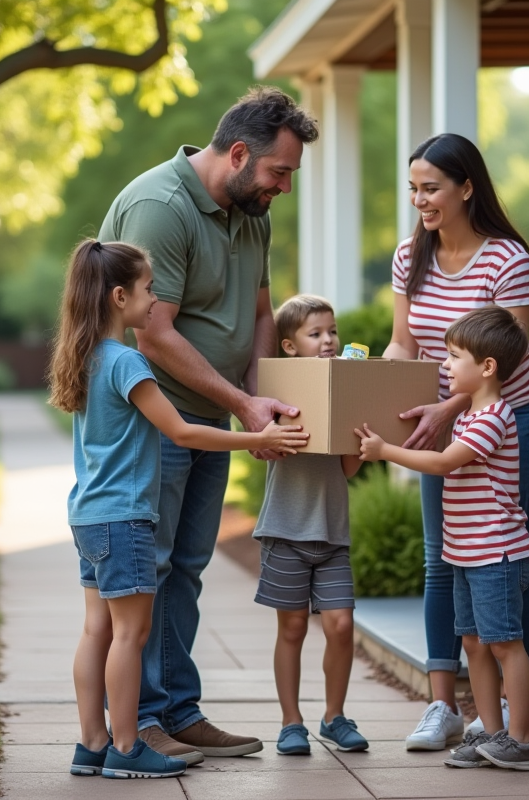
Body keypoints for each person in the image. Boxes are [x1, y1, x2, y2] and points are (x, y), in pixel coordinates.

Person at [97, 86, 320, 763]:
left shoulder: (252, 212)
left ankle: (178, 710)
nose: (284, 187)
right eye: (280, 173)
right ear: (241, 153)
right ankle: (141, 723)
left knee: (188, 568)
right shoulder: (160, 209)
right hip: (155, 421)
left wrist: (260, 400)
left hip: (214, 418)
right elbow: (154, 336)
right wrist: (244, 405)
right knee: (151, 570)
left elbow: (260, 314)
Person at [47, 240, 308, 779]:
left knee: (97, 630)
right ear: (120, 297)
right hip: (126, 517)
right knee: (129, 635)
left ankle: (92, 743)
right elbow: (183, 430)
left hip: (90, 515)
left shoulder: (84, 356)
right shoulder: (127, 363)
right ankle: (125, 746)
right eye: (148, 289)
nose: (156, 298)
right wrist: (261, 437)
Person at [383, 133, 529, 750]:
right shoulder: (411, 256)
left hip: (515, 417)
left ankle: (511, 718)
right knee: (443, 558)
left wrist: (443, 408)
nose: (420, 200)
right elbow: (404, 343)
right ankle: (445, 708)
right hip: (444, 422)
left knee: (509, 564)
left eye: (430, 188)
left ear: (466, 188)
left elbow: (503, 363)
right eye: (414, 189)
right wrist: (377, 391)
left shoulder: (506, 259)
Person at [357, 306, 529, 771]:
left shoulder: (493, 417)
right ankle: (491, 736)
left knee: (505, 644)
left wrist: (385, 451)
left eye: (454, 357)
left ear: (487, 367)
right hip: (466, 554)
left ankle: (520, 740)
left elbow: (442, 464)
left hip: (495, 554)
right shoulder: (468, 416)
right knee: (475, 643)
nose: (445, 365)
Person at [252, 294, 369, 756]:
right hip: (286, 530)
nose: (328, 341)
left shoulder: (344, 389)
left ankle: (334, 716)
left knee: (340, 626)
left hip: (331, 530)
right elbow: (260, 446)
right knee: (293, 628)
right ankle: (291, 721)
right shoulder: (277, 399)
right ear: (288, 345)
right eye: (315, 333)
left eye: (332, 332)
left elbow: (347, 469)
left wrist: (358, 437)